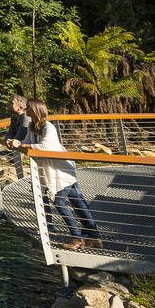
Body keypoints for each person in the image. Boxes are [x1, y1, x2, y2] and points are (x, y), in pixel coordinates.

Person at [10, 99, 101, 251]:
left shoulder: (48, 127)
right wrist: (16, 142)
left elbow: (45, 146)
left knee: (60, 202)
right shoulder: (33, 126)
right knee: (77, 202)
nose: (26, 111)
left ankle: (77, 237)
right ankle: (94, 237)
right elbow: (25, 141)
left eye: (29, 109)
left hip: (62, 170)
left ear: (36, 110)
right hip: (56, 171)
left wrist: (24, 145)